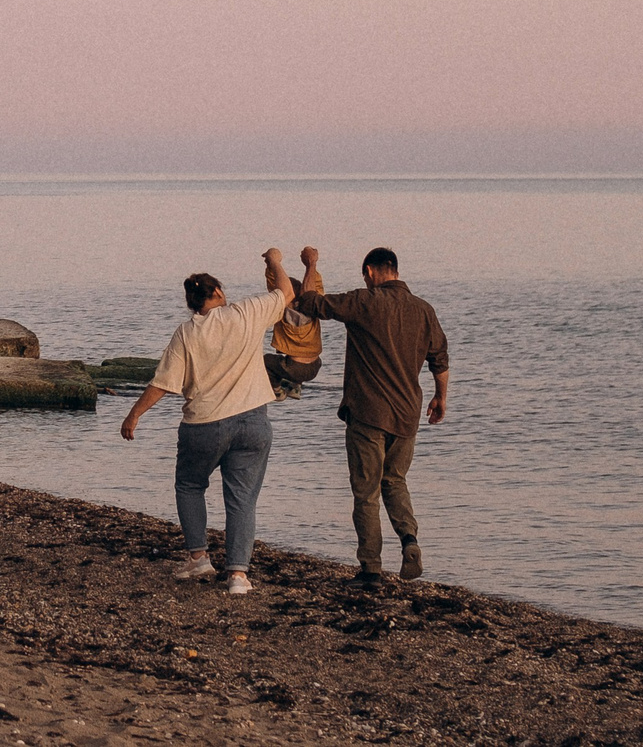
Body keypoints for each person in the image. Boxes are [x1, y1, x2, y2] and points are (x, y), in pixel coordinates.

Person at [119, 246, 296, 596]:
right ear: (217, 293)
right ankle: (238, 576)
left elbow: (163, 383)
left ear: (192, 303)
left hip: (204, 424)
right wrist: (275, 260)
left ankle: (199, 556)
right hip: (252, 421)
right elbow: (287, 293)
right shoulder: (245, 313)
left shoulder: (187, 333)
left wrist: (134, 414)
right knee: (242, 499)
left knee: (189, 485)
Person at [296, 244, 449, 586]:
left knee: (366, 493)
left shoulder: (364, 301)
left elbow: (310, 303)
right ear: (395, 269)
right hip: (408, 414)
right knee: (395, 481)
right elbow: (440, 357)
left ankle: (371, 569)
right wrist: (441, 398)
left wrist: (311, 264)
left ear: (369, 272)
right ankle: (410, 540)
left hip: (368, 414)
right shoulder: (424, 310)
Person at [266, 244, 326, 397]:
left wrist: (272, 262)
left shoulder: (285, 311)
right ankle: (294, 388)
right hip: (315, 365)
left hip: (294, 367)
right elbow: (315, 287)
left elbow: (275, 285)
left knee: (267, 362)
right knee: (293, 353)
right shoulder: (314, 308)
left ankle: (277, 391)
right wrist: (311, 264)